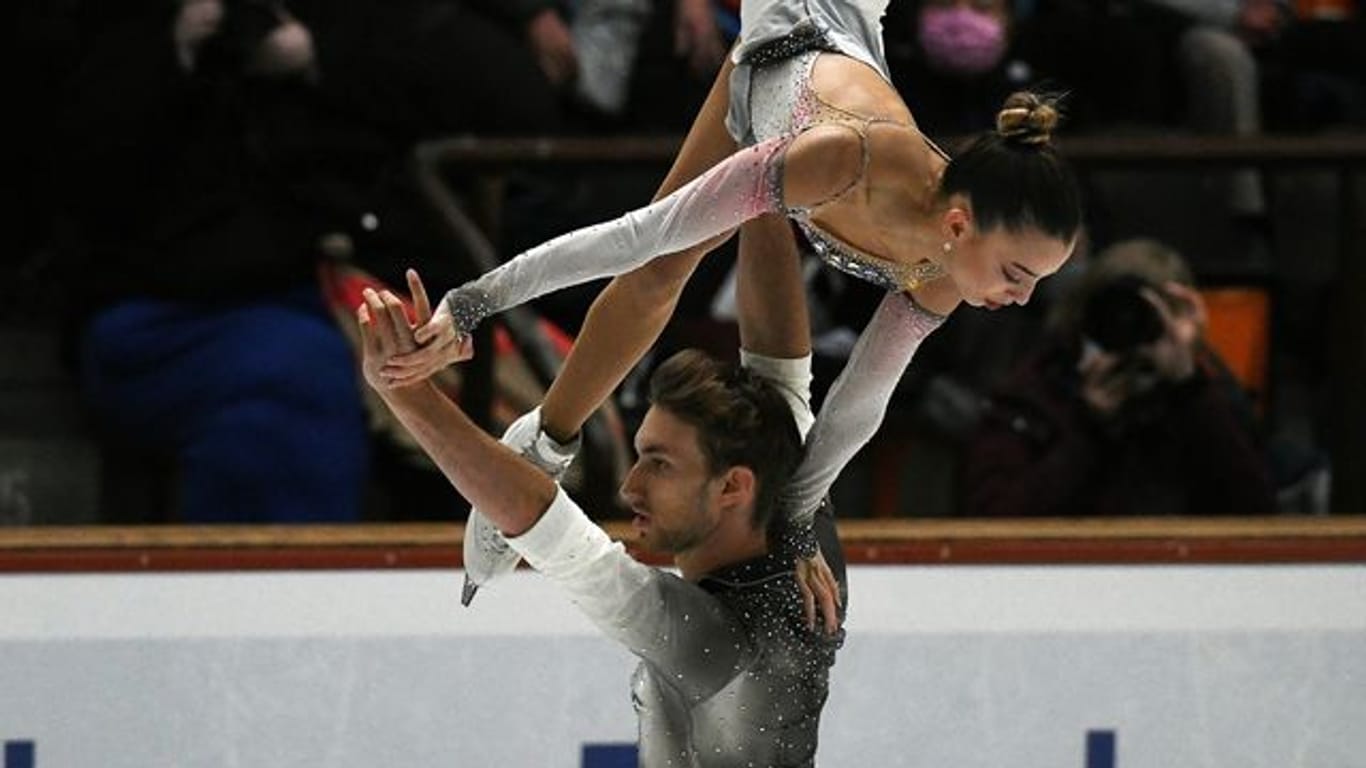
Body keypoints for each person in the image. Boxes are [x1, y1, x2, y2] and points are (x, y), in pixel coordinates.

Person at [379, 0, 1083, 595]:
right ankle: (541, 444)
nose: (1020, 300)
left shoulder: (948, 267)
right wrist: (472, 303)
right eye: (1017, 275)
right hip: (783, 46)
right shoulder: (842, 159)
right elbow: (635, 236)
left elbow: (860, 402)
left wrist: (796, 522)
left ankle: (543, 441)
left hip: (819, 36)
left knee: (688, 255)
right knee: (662, 263)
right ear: (960, 224)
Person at [356, 279, 845, 766]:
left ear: (733, 486)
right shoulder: (802, 542)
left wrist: (407, 394)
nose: (630, 487)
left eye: (659, 463)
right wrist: (765, 204)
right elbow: (781, 373)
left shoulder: (718, 645)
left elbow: (551, 529)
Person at [958, 238, 1278, 516]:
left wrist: (1188, 388)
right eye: (1114, 316)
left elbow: (1257, 518)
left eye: (1148, 319)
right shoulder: (1033, 397)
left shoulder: (1205, 397)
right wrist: (1088, 424)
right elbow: (995, 522)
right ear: (1081, 315)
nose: (1131, 334)